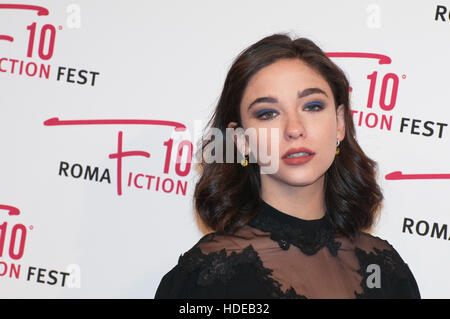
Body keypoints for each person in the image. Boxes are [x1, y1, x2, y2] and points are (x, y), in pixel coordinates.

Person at [154, 33, 421, 299]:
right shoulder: (204, 280)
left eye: (312, 106)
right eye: (268, 113)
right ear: (241, 140)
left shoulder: (386, 271)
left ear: (339, 123)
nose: (294, 129)